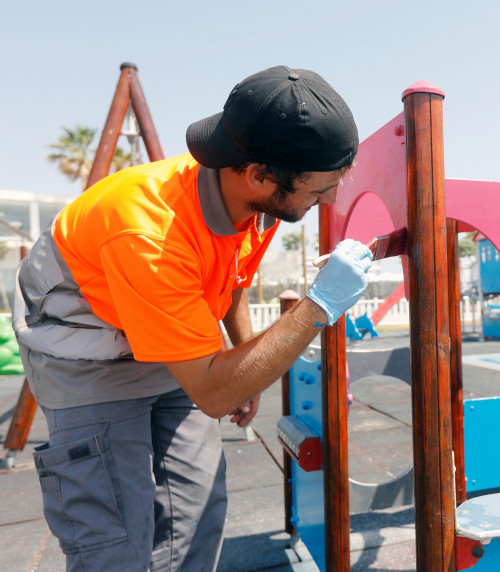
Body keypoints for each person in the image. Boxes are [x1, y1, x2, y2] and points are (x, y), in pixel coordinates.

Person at [13, 65, 372, 571]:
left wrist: (244, 362)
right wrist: (320, 305)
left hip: (172, 338)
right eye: (318, 190)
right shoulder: (150, 235)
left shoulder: (258, 200)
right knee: (116, 541)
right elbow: (212, 392)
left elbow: (232, 280)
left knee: (196, 514)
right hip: (87, 351)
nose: (329, 200)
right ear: (258, 175)